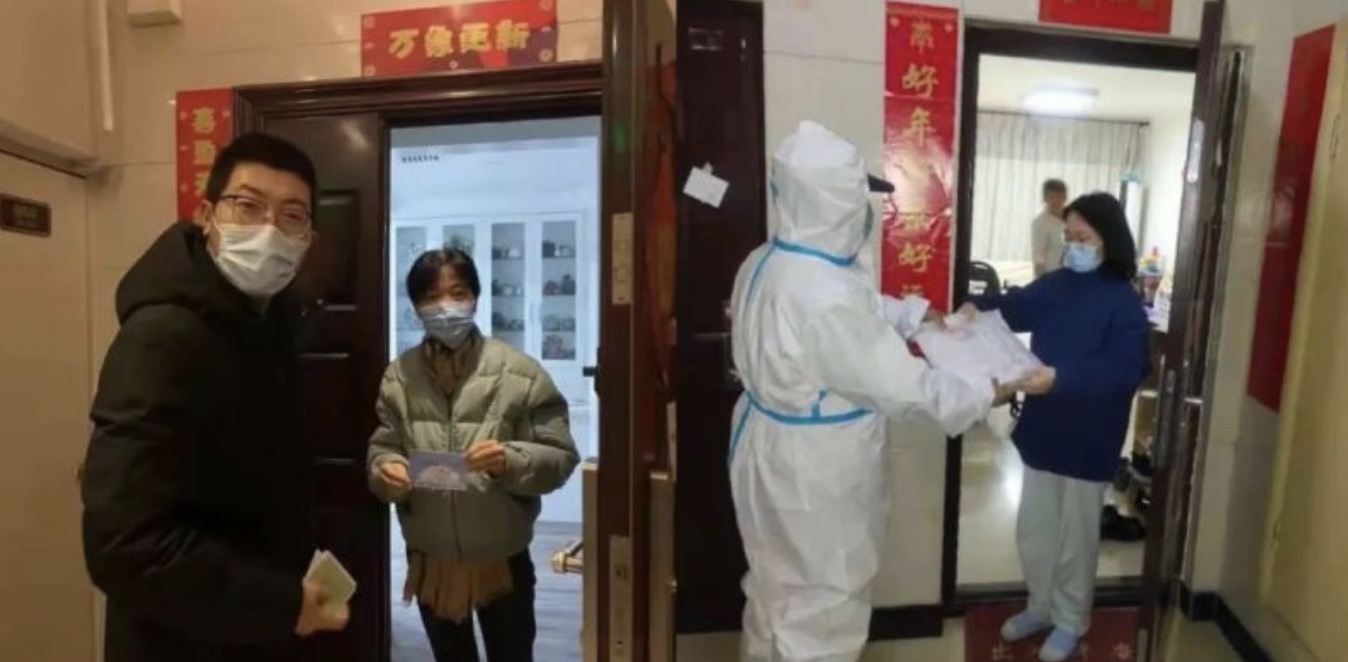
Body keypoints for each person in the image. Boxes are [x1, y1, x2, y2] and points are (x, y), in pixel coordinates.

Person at [727, 120, 1010, 662]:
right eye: (861, 197)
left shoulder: (769, 260)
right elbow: (905, 388)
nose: (866, 211)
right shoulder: (825, 296)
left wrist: (913, 314)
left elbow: (854, 311)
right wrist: (982, 391)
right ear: (836, 204)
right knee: (825, 604)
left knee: (774, 591)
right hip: (816, 472)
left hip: (769, 449)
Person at [81, 133, 349, 662]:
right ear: (207, 215)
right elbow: (124, 545)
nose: (268, 230)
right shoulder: (162, 337)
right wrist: (279, 605)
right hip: (179, 642)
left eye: (291, 216)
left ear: (308, 240)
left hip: (250, 629)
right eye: (248, 206)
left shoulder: (272, 326)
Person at [962, 192, 1150, 662]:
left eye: (1083, 237)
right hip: (1044, 430)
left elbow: (1126, 369)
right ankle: (1040, 606)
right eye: (1069, 237)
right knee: (1036, 532)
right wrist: (974, 307)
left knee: (1076, 539)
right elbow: (1014, 307)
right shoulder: (1058, 285)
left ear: (1108, 239)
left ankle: (1071, 619)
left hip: (1090, 437)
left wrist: (1061, 379)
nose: (1073, 246)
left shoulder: (1123, 301)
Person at [369, 247, 580, 662]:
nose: (445, 307)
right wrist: (385, 469)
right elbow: (384, 445)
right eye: (431, 297)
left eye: (458, 292)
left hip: (502, 557)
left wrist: (510, 460)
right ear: (416, 307)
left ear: (476, 298)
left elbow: (560, 456)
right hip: (431, 559)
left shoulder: (520, 372)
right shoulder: (399, 377)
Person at [1031, 179, 1069, 277]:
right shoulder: (1040, 222)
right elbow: (1038, 257)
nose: (1056, 200)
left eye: (1059, 196)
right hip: (1053, 276)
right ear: (1044, 198)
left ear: (1065, 197)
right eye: (1051, 197)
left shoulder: (1074, 218)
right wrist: (1042, 281)